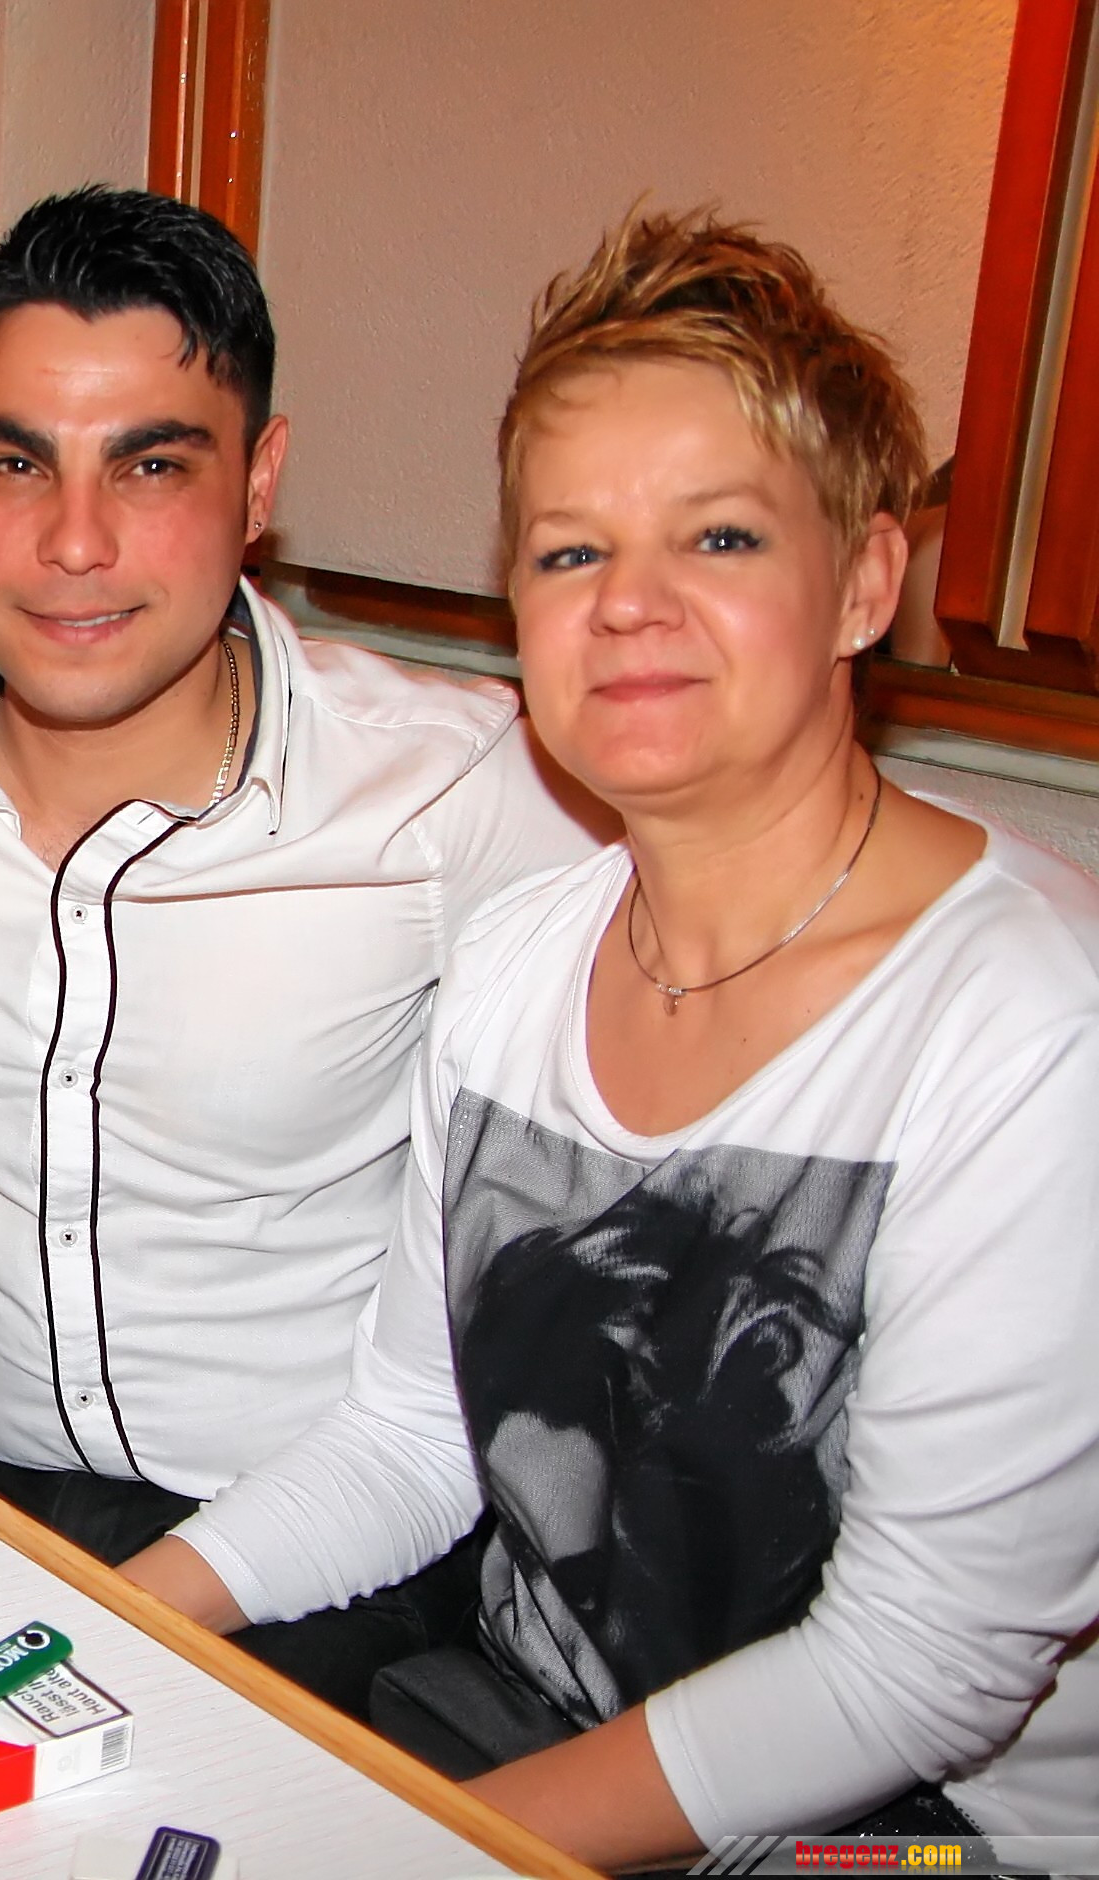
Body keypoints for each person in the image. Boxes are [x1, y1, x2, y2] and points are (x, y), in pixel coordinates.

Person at [132, 211, 1099, 1864]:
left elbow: (915, 1671)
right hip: (531, 1728)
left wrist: (411, 1847)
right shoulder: (520, 966)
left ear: (866, 582)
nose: (631, 606)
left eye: (718, 538)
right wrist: (93, 1612)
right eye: (572, 553)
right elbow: (409, 1441)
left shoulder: (1030, 1025)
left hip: (919, 1832)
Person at [0, 187, 603, 1713]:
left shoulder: (460, 794)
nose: (73, 542)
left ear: (261, 482)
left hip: (326, 1556)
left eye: (152, 465)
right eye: (15, 464)